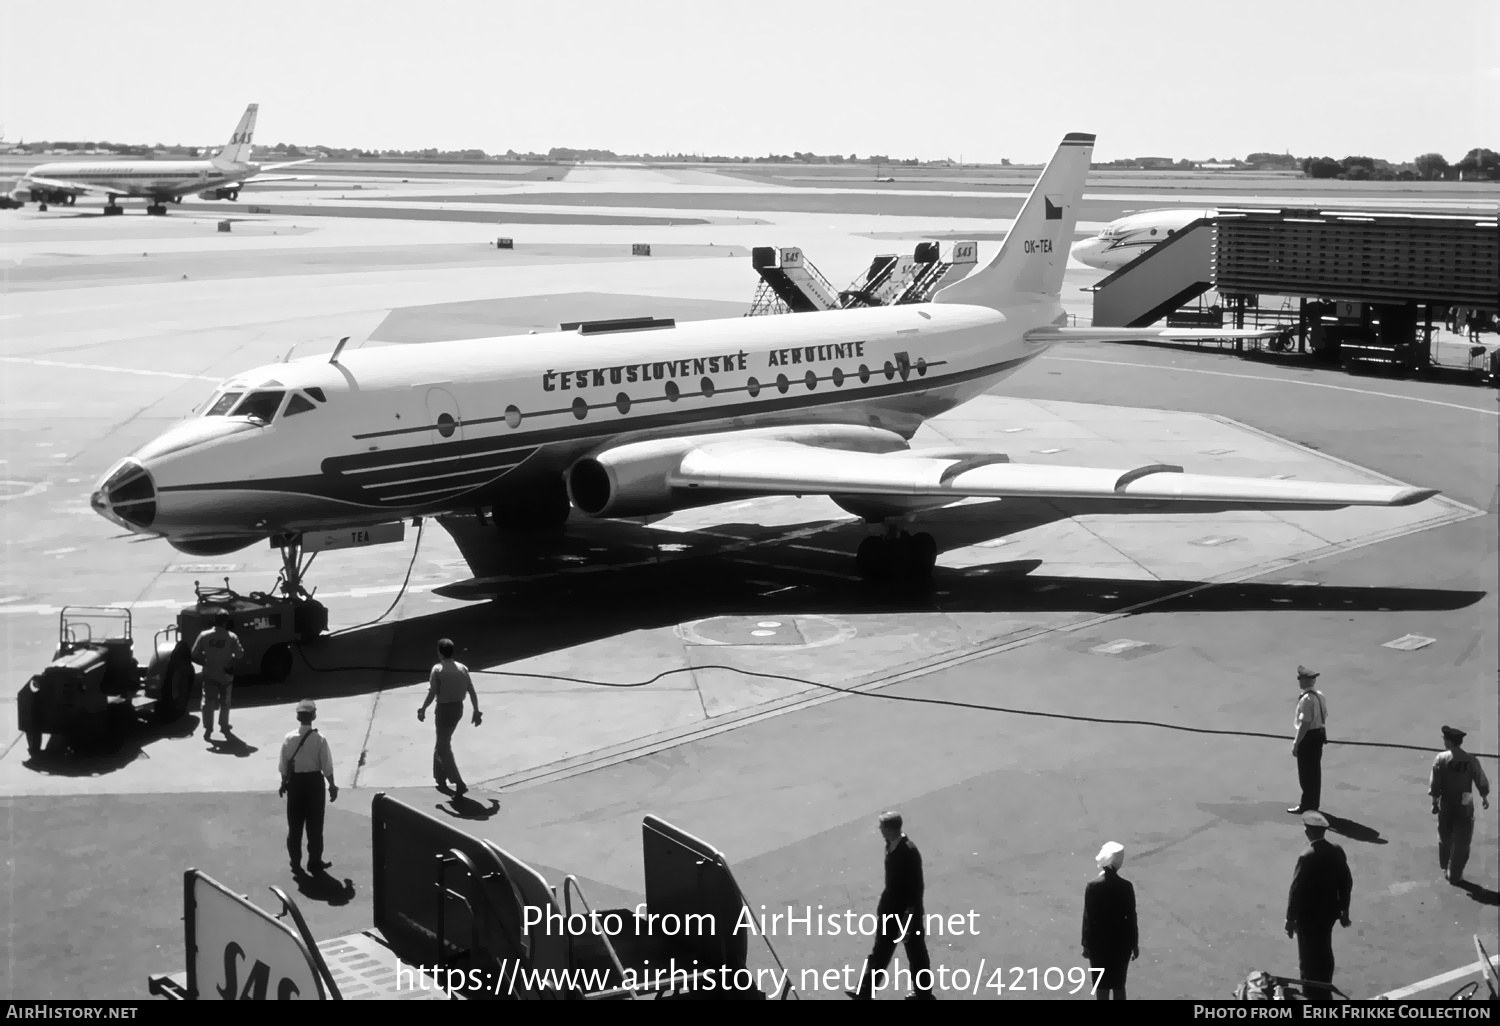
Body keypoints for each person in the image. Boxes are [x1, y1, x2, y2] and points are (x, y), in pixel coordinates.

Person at [847, 811, 934, 1000]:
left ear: (890, 829)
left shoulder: (908, 852)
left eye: (882, 827)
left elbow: (915, 889)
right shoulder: (890, 845)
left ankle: (924, 993)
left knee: (916, 954)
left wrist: (908, 918)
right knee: (880, 951)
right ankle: (865, 991)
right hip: (890, 912)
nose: (879, 830)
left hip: (907, 915)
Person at [1284, 811, 1352, 1001]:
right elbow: (1345, 882)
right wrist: (1344, 910)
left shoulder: (1307, 856)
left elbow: (1295, 890)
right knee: (1324, 949)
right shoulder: (1336, 850)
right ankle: (1324, 984)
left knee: (1307, 956)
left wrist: (1289, 919)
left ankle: (1312, 993)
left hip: (1308, 916)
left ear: (1308, 832)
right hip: (1329, 913)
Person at [279, 699, 338, 875]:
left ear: (298, 717)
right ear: (314, 716)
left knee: (295, 826)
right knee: (315, 826)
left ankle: (295, 863)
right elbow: (326, 766)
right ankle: (314, 862)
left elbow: (284, 766)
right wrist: (332, 785)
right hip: (314, 784)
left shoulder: (289, 738)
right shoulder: (319, 739)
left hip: (296, 784)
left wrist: (284, 783)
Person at [1429, 725, 1491, 885]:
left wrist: (1434, 803)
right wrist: (1484, 796)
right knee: (1463, 841)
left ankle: (1445, 866)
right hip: (1465, 804)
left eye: (1444, 739)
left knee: (1445, 837)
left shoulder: (1440, 758)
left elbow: (1435, 784)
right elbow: (1480, 780)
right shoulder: (1471, 760)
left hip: (1447, 804)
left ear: (1449, 741)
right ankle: (1455, 874)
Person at [419, 638, 481, 796]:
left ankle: (457, 781)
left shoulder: (437, 669)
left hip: (444, 710)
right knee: (442, 741)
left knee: (443, 747)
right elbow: (472, 691)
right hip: (458, 709)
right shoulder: (462, 668)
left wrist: (423, 708)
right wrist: (476, 710)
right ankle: (439, 777)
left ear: (439, 652)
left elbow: (432, 692)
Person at [1082, 842, 1139, 1000]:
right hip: (1121, 944)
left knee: (1101, 986)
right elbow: (1131, 918)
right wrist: (1134, 944)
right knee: (1119, 984)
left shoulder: (1093, 886)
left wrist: (1085, 944)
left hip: (1098, 944)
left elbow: (1088, 918)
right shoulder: (1126, 886)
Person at [192, 612, 244, 741]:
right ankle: (224, 724)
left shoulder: (204, 635)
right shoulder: (232, 637)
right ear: (226, 622)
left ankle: (208, 728)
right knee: (225, 701)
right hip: (226, 673)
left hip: (209, 672)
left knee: (208, 701)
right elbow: (240, 654)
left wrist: (205, 662)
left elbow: (194, 653)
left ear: (214, 621)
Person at [1288, 665, 1328, 814]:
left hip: (1308, 737)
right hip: (1318, 735)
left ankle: (1306, 805)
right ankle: (1313, 803)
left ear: (1304, 681)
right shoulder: (1319, 696)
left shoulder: (1306, 700)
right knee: (1315, 772)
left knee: (1306, 774)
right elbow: (1324, 716)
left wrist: (1296, 743)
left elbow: (1304, 724)